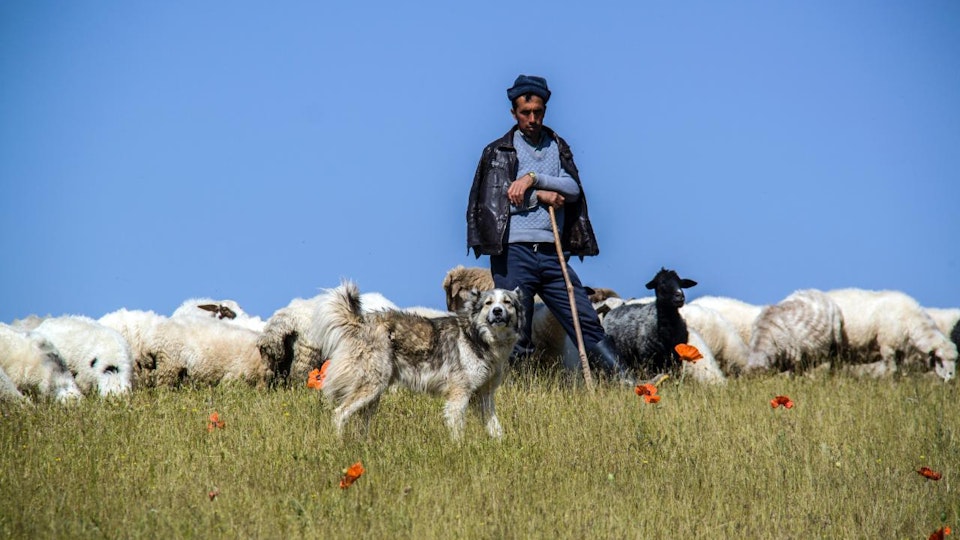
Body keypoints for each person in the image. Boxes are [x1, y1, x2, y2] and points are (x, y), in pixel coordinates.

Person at [466, 74, 632, 383]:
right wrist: (539, 196)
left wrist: (533, 179)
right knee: (518, 327)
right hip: (514, 252)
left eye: (538, 112)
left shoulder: (557, 146)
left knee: (584, 318)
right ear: (513, 113)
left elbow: (572, 188)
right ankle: (519, 395)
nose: (532, 119)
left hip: (553, 255)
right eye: (525, 113)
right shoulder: (497, 152)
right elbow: (493, 204)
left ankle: (625, 382)